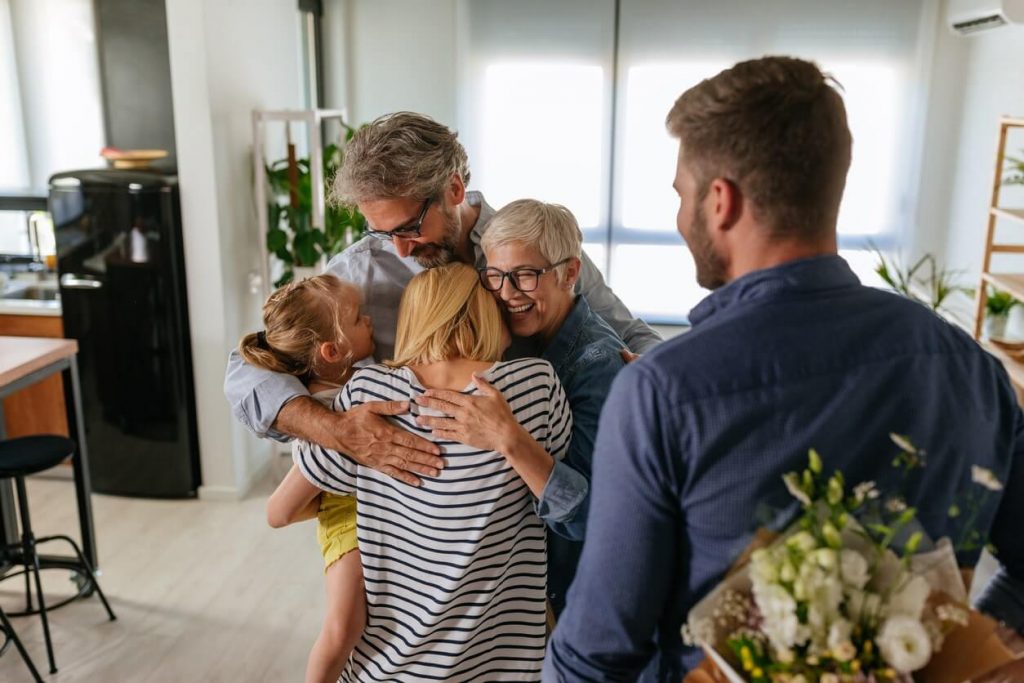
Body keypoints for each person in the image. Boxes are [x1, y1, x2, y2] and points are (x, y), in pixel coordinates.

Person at [544, 56, 1024, 682]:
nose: (681, 216)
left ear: (720, 201)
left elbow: (597, 654)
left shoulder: (664, 391)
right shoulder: (972, 369)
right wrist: (950, 660)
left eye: (681, 195)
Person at [224, 112, 660, 488]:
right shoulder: (362, 272)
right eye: (382, 232)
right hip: (429, 511)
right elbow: (247, 369)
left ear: (453, 188)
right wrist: (334, 429)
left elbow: (628, 334)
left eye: (409, 227)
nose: (399, 249)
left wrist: (666, 378)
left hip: (550, 482)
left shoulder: (535, 243)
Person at [293, 262, 575, 681]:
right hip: (502, 670)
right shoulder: (535, 383)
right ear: (483, 311)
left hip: (386, 670)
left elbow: (293, 505)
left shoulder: (368, 393)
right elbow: (557, 486)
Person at [414, 199, 626, 617]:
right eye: (495, 276)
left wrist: (508, 439)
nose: (507, 294)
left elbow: (588, 515)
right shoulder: (506, 341)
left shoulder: (600, 366)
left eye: (525, 275)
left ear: (570, 273)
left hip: (573, 598)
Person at [238, 274, 374, 683]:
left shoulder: (350, 381)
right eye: (359, 317)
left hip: (368, 507)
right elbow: (279, 511)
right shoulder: (323, 412)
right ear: (333, 350)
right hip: (346, 520)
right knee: (343, 627)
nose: (371, 321)